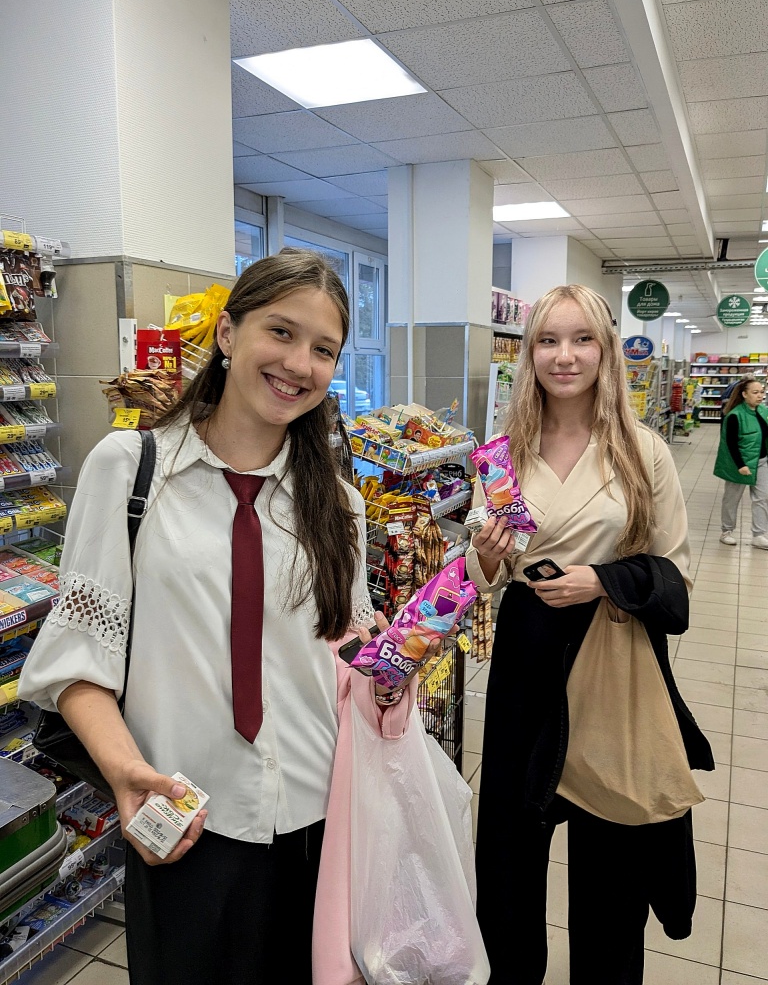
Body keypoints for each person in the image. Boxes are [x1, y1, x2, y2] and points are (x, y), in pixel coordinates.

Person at [18, 249, 424, 984]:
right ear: (230, 334)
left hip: (318, 821)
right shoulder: (130, 470)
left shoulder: (338, 504)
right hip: (184, 820)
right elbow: (78, 661)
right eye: (282, 332)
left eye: (324, 349)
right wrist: (124, 773)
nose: (300, 363)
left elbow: (348, 655)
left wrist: (392, 673)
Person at [465, 284, 714, 985]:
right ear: (528, 352)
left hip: (614, 662)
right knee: (511, 860)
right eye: (548, 340)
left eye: (582, 340)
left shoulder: (643, 452)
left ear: (605, 351)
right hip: (526, 665)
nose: (564, 356)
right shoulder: (503, 454)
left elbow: (676, 574)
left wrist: (603, 581)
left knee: (611, 871)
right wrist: (483, 555)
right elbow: (487, 569)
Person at [713, 376, 768, 548]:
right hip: (740, 464)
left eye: (762, 392)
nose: (760, 396)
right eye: (755, 392)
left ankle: (758, 535)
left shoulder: (764, 411)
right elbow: (730, 444)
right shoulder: (735, 415)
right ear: (744, 394)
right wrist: (740, 465)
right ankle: (727, 531)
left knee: (762, 498)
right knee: (732, 499)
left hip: (761, 462)